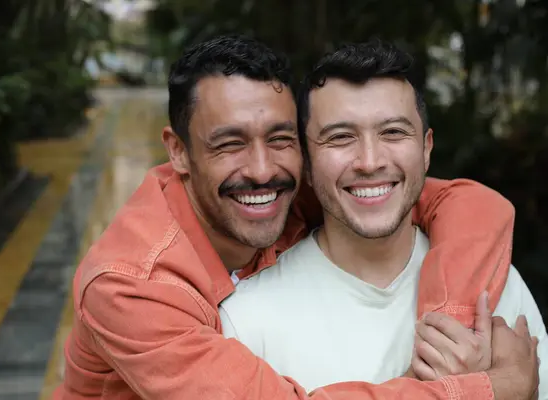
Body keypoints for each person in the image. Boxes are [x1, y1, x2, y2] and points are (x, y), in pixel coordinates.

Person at [55, 35, 521, 399]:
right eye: (230, 143)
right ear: (179, 152)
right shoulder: (129, 286)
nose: (262, 171)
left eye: (280, 139)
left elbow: (469, 204)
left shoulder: (292, 192)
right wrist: (490, 388)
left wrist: (448, 333)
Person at [219, 40, 545, 397]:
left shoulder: (491, 281)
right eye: (341, 137)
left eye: (393, 132)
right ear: (306, 165)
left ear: (426, 149)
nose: (370, 161)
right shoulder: (248, 317)